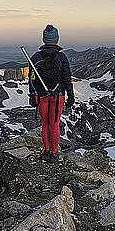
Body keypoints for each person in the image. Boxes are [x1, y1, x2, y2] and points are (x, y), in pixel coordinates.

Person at [28, 25, 75, 162]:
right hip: (58, 95)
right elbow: (66, 78)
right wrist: (70, 96)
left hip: (42, 96)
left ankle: (46, 150)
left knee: (45, 123)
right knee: (54, 123)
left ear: (43, 39)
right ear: (57, 39)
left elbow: (32, 79)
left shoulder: (35, 57)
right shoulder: (62, 57)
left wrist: (33, 95)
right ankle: (54, 153)